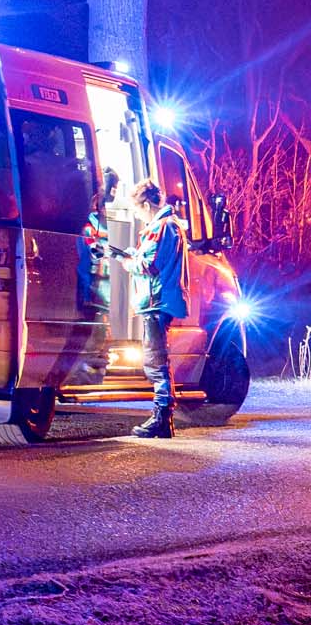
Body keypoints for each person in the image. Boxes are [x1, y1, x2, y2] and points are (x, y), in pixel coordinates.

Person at [123, 177, 188, 439]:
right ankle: (162, 418)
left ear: (147, 204)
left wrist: (126, 259)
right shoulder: (170, 226)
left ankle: (162, 418)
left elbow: (148, 264)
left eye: (137, 209)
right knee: (157, 359)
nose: (138, 216)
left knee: (156, 361)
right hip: (161, 301)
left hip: (156, 301)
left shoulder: (162, 227)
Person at [78, 168, 120, 315]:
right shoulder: (89, 228)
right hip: (94, 293)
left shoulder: (113, 225)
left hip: (107, 293)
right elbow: (96, 252)